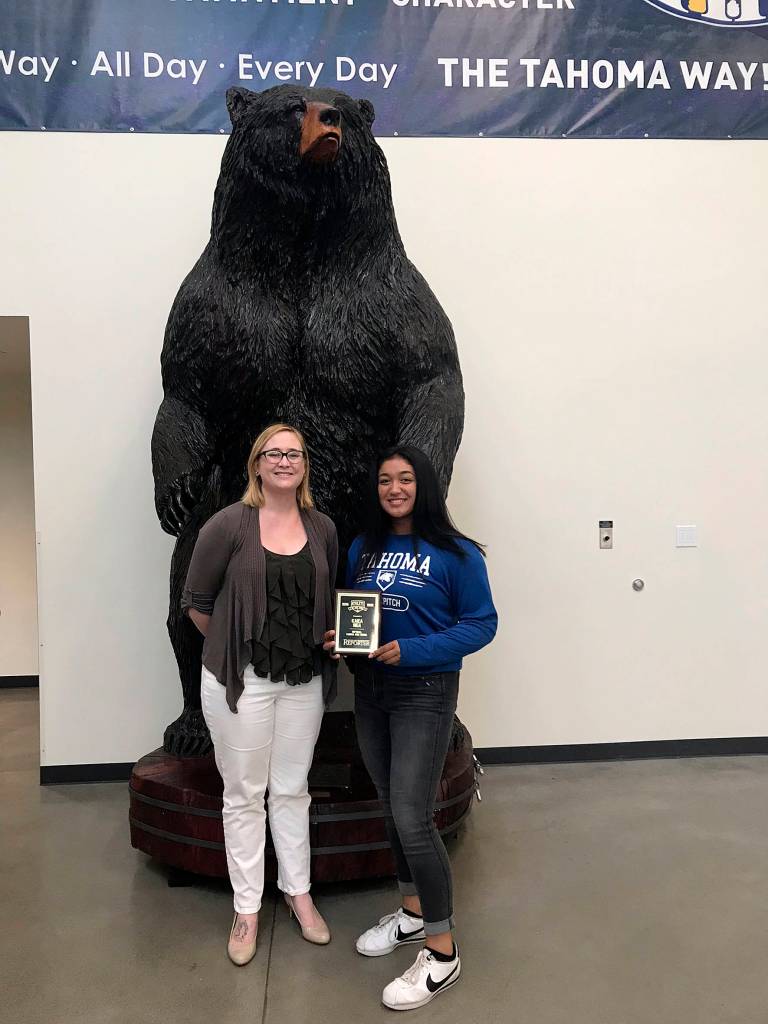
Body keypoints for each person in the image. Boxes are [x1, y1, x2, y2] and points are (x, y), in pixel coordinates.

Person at [324, 445, 497, 1010]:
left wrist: (416, 649)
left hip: (425, 692)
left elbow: (481, 624)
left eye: (404, 479)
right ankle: (413, 915)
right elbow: (359, 616)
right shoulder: (363, 547)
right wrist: (342, 643)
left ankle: (443, 955)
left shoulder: (457, 553)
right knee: (389, 805)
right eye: (383, 480)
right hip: (372, 690)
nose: (393, 488)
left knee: (412, 818)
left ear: (424, 485)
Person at [183, 423, 338, 965]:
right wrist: (233, 646)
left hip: (304, 683)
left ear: (304, 465)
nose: (284, 460)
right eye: (274, 452)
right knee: (244, 794)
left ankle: (298, 894)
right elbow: (198, 602)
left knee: (293, 790)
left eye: (294, 452)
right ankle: (246, 908)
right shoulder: (228, 525)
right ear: (256, 463)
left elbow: (328, 601)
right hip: (241, 683)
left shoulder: (322, 527)